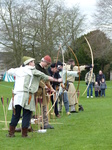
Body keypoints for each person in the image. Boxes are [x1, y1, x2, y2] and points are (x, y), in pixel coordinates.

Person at [6, 56, 61, 138]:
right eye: (32, 62)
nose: (33, 63)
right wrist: (56, 80)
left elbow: (9, 71)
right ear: (28, 63)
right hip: (27, 96)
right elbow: (44, 76)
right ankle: (24, 134)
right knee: (26, 114)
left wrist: (20, 68)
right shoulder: (32, 71)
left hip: (17, 96)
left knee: (16, 114)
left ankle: (11, 133)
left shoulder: (18, 70)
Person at [35, 55, 55, 129]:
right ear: (44, 61)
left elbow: (47, 80)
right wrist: (45, 86)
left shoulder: (45, 70)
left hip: (43, 90)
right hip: (35, 90)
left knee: (44, 106)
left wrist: (51, 88)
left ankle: (45, 123)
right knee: (32, 107)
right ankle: (29, 123)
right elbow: (38, 79)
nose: (47, 65)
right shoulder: (36, 67)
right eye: (47, 63)